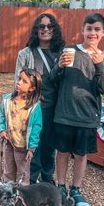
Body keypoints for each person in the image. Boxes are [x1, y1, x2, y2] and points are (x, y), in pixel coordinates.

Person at [49, 13, 104, 206]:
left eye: (96, 29)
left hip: (87, 116)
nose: (92, 33)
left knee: (81, 154)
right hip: (65, 113)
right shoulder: (68, 51)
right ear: (82, 30)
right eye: (89, 29)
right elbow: (52, 79)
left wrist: (100, 64)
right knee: (62, 152)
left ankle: (76, 189)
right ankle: (60, 187)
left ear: (103, 32)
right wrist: (59, 66)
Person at [14, 13, 65, 185]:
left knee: (50, 143)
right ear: (36, 30)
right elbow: (17, 82)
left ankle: (47, 176)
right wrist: (19, 105)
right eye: (41, 27)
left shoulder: (62, 53)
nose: (45, 30)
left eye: (49, 26)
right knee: (33, 141)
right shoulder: (26, 53)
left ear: (54, 29)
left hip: (55, 105)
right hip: (34, 105)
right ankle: (32, 177)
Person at [0, 67, 43, 185]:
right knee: (8, 169)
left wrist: (32, 148)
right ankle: (6, 193)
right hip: (9, 143)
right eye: (19, 79)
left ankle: (23, 196)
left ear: (32, 88)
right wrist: (2, 129)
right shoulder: (7, 101)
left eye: (24, 81)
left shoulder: (34, 107)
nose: (19, 82)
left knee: (23, 173)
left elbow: (36, 128)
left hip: (23, 147)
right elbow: (3, 117)